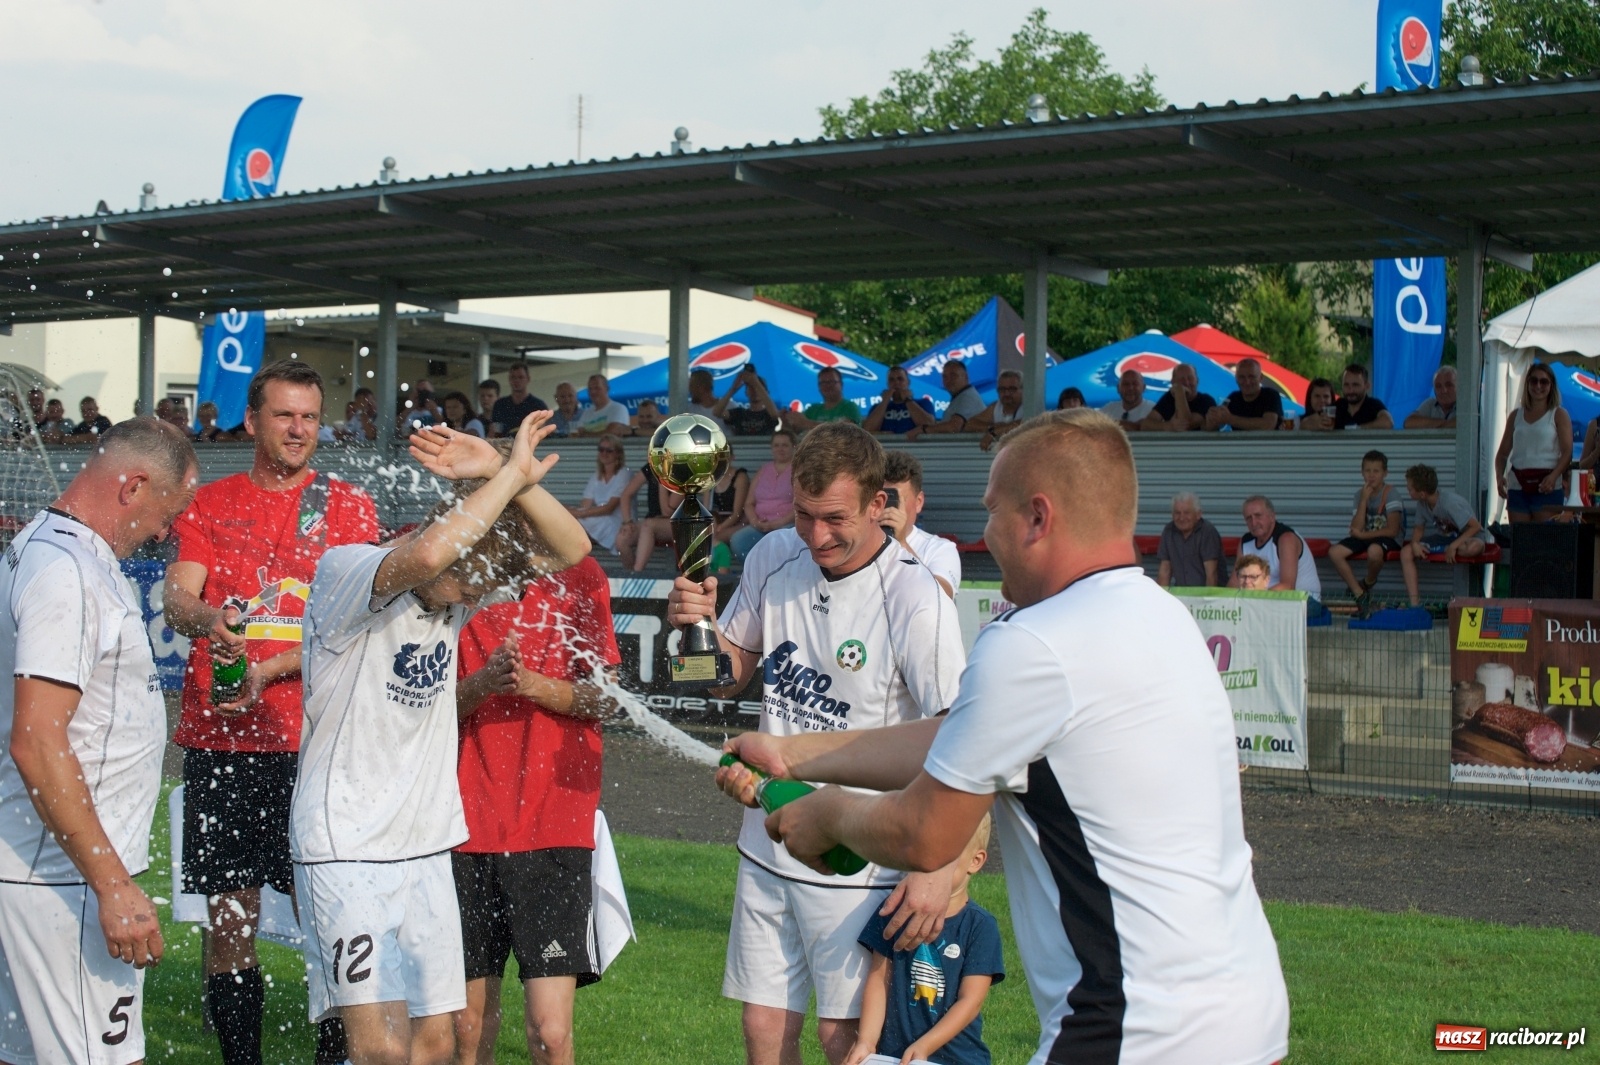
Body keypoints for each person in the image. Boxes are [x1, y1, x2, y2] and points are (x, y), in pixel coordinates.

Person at [721, 410, 1291, 1065]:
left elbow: (922, 830)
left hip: (1135, 1027)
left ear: (1038, 516)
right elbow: (958, 735)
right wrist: (794, 752)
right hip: (1250, 1013)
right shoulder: (1165, 617)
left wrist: (825, 812)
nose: (984, 532)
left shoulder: (1030, 641)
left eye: (994, 510)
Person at [667, 422, 967, 1065]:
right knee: (764, 1034)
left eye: (835, 519)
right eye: (804, 516)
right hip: (767, 832)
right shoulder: (775, 554)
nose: (817, 535)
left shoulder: (917, 597)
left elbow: (965, 741)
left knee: (845, 1041)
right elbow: (721, 685)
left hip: (859, 857)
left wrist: (938, 869)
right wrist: (694, 630)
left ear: (877, 504)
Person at [293, 412, 589, 1065]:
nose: (469, 594)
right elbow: (429, 556)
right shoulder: (353, 571)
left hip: (426, 846)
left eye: (481, 584)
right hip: (346, 845)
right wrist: (509, 471)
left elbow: (571, 550)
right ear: (444, 526)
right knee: (380, 1049)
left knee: (437, 1040)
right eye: (466, 577)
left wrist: (498, 474)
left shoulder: (459, 587)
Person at [163, 360, 380, 1065]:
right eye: (285, 416)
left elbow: (354, 624)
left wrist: (275, 667)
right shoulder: (212, 502)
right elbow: (177, 598)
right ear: (252, 421)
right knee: (230, 922)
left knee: (333, 920)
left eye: (310, 417)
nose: (299, 430)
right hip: (224, 740)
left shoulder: (348, 506)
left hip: (317, 742)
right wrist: (210, 622)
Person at [0, 418, 199, 1065]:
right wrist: (113, 884)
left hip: (45, 868)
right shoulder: (68, 570)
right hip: (65, 878)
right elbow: (35, 737)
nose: (165, 532)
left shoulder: (52, 547)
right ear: (133, 485)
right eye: (168, 512)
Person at [451, 556, 621, 1065]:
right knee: (466, 1027)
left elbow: (609, 699)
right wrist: (484, 684)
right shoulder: (451, 573)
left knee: (550, 1033)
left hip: (554, 827)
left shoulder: (581, 575)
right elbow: (416, 705)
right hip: (462, 825)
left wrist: (534, 685)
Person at [846, 816, 1003, 1065]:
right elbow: (878, 980)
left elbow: (970, 1001)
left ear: (976, 861)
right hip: (894, 1056)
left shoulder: (980, 926)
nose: (928, 863)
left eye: (944, 856)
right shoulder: (893, 913)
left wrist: (925, 1045)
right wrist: (866, 1040)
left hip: (958, 1058)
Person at [1327, 450, 1404, 617]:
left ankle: (1368, 582)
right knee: (1335, 552)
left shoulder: (1391, 493)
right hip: (1366, 536)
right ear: (1362, 472)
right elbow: (1356, 527)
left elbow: (1392, 530)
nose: (1371, 475)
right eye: (1367, 471)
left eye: (1376, 471)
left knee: (1374, 551)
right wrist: (1363, 500)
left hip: (1387, 538)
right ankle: (1359, 594)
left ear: (1385, 473)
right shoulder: (1359, 494)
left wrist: (1362, 536)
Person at [1493, 362, 1572, 524]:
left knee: (1545, 541)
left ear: (1551, 386)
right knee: (1522, 541)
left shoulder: (1558, 414)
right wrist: (1499, 476)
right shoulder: (1516, 415)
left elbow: (1567, 452)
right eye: (1533, 381)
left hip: (1547, 483)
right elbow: (1502, 454)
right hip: (1518, 483)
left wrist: (1554, 476)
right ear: (1527, 384)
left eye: (1544, 382)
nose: (1538, 386)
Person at [1400, 463, 1489, 606]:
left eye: (1410, 489)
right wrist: (1415, 544)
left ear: (1422, 493)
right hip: (1446, 539)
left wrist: (1454, 546)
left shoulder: (1449, 503)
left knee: (1473, 548)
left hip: (1468, 537)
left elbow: (1475, 526)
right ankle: (1414, 604)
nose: (1408, 491)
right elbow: (1418, 529)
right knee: (1406, 552)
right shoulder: (1422, 505)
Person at [881, 449, 960, 597]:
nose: (888, 507)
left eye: (897, 499)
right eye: (883, 499)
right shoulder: (859, 543)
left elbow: (942, 597)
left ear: (919, 502)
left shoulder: (939, 549)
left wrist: (902, 544)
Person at [1235, 495, 1324, 615]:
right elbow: (1235, 581)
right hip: (1262, 600)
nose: (1254, 522)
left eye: (1258, 516)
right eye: (1248, 518)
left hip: (1304, 600)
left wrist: (1254, 600)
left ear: (1272, 516)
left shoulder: (1286, 539)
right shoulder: (1245, 542)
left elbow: (1288, 586)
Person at [730, 429, 796, 559]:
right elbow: (749, 503)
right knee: (738, 541)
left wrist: (776, 524)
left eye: (785, 445)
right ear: (771, 448)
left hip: (787, 525)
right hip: (760, 525)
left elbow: (801, 505)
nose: (780, 449)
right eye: (776, 445)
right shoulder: (763, 470)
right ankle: (757, 575)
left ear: (794, 447)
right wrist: (755, 521)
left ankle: (776, 576)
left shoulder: (799, 470)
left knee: (779, 544)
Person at [568, 434, 632, 552]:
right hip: (598, 518)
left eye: (609, 450)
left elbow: (609, 508)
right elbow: (585, 505)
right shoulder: (596, 476)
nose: (604, 453)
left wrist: (576, 513)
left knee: (571, 521)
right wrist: (575, 513)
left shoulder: (624, 473)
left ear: (618, 453)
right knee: (568, 517)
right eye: (601, 450)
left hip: (617, 523)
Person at [614, 457, 676, 574]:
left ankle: (637, 574)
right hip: (652, 521)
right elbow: (626, 495)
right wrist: (628, 522)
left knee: (648, 525)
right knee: (622, 538)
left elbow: (666, 512)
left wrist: (662, 481)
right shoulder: (652, 467)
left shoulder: (683, 471)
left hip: (677, 523)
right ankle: (630, 576)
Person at [1156, 492, 1225, 587]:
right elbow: (1165, 571)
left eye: (1187, 513)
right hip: (1183, 594)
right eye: (1177, 513)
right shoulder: (1169, 531)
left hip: (1207, 595)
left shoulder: (1207, 532)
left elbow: (1211, 574)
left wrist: (1208, 600)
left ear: (1198, 514)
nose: (1181, 518)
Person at [1206, 358, 1283, 431]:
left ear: (1261, 377)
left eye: (1251, 377)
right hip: (1240, 444)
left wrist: (1229, 419)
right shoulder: (1233, 398)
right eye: (1242, 377)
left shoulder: (1270, 395)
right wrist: (1212, 418)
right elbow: (1211, 428)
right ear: (1236, 379)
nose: (1247, 382)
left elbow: (1268, 425)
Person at [709, 445, 751, 574]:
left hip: (736, 522)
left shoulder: (740, 476)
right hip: (717, 521)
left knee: (715, 539)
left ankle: (721, 574)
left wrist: (719, 527)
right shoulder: (709, 477)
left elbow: (737, 513)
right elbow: (707, 510)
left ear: (732, 458)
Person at [913, 361, 985, 437]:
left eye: (953, 375)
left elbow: (953, 427)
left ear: (966, 377)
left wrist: (923, 429)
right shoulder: (961, 396)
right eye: (945, 377)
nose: (948, 380)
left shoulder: (968, 397)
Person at [1138, 364, 1215, 432]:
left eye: (1190, 378)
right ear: (1173, 383)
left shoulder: (1206, 400)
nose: (1187, 382)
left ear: (1197, 381)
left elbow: (1185, 424)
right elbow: (1145, 424)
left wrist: (1179, 392)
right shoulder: (1169, 398)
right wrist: (1167, 426)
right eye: (1181, 379)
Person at [863, 365, 937, 437]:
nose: (896, 382)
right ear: (888, 384)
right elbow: (867, 430)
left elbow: (930, 425)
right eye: (892, 380)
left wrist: (908, 400)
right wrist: (884, 401)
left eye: (900, 379)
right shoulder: (877, 408)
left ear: (908, 383)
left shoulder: (923, 403)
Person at [784, 366, 862, 430]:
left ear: (841, 384)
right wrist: (786, 420)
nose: (827, 386)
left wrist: (806, 423)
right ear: (819, 387)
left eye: (831, 382)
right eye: (823, 383)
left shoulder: (850, 407)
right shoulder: (812, 410)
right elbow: (793, 433)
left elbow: (847, 432)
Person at [967, 370, 1025, 451]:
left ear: (1023, 390)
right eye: (1002, 389)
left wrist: (994, 433)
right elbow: (970, 425)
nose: (1006, 393)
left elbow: (1026, 423)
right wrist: (992, 428)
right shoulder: (996, 407)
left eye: (1012, 389)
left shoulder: (1029, 406)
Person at [720, 366, 782, 437]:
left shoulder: (769, 414)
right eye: (751, 388)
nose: (755, 391)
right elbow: (718, 412)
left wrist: (756, 382)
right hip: (742, 447)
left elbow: (775, 415)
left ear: (766, 392)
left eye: (757, 389)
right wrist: (733, 389)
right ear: (746, 392)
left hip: (764, 447)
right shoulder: (739, 414)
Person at [490, 361, 548, 436]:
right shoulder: (500, 405)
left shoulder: (538, 406)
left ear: (528, 379)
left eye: (520, 377)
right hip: (503, 446)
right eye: (513, 377)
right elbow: (494, 432)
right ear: (509, 379)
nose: (516, 381)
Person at [1333, 363, 1393, 430]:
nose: (1350, 390)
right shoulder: (1338, 405)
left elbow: (1388, 422)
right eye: (1346, 385)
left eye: (1355, 385)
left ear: (1367, 386)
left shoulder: (1373, 405)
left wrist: (1357, 428)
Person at [683, 369, 732, 435]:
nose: (689, 390)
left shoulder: (729, 406)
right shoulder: (689, 410)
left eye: (692, 386)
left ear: (701, 388)